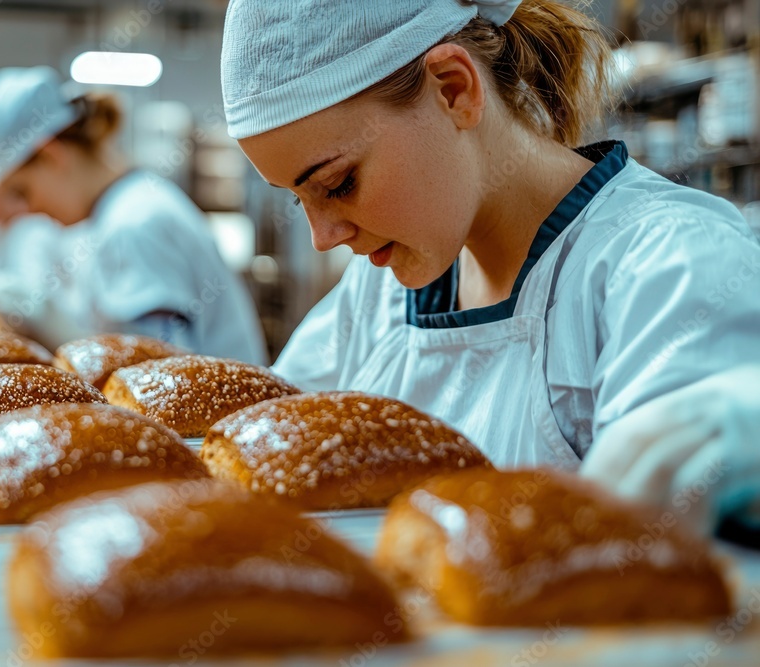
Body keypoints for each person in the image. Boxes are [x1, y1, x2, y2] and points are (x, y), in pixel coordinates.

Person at [221, 0, 760, 533]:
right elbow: (264, 451)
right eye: (298, 200)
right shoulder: (378, 293)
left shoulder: (667, 264)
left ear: (454, 89)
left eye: (339, 184)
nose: (322, 238)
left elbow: (659, 567)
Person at [0, 67, 268, 363]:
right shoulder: (122, 208)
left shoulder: (136, 224)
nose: (27, 210)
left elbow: (154, 378)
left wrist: (56, 330)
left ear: (50, 155)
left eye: (22, 192)